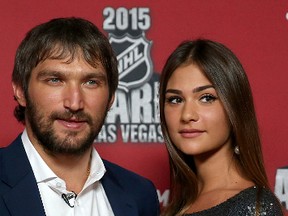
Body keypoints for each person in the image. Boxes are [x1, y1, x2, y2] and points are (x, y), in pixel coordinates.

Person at [0, 17, 159, 216]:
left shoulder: (140, 194)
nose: (74, 103)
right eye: (55, 80)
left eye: (91, 82)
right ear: (21, 91)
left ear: (111, 97)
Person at [159, 39, 283, 216]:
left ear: (235, 107)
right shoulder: (177, 207)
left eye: (206, 98)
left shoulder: (255, 208)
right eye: (175, 100)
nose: (187, 115)